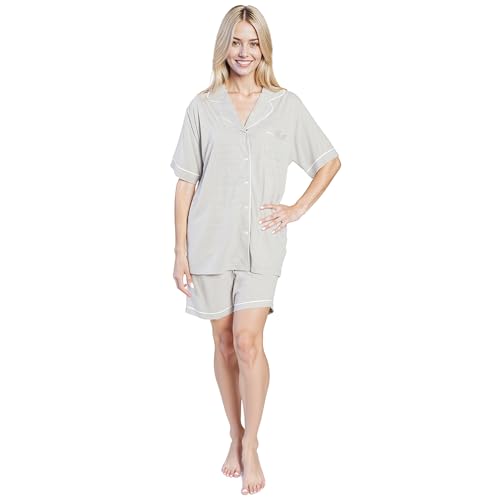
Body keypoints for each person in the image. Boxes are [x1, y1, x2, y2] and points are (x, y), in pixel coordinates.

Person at [170, 5, 341, 496]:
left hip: (262, 243)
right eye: (236, 42)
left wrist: (296, 209)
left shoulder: (285, 105)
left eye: (253, 43)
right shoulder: (202, 107)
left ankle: (251, 444)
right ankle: (233, 432)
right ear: (223, 46)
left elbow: (328, 162)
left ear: (264, 48)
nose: (244, 52)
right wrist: (179, 252)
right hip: (209, 242)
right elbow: (185, 183)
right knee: (224, 343)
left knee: (248, 342)